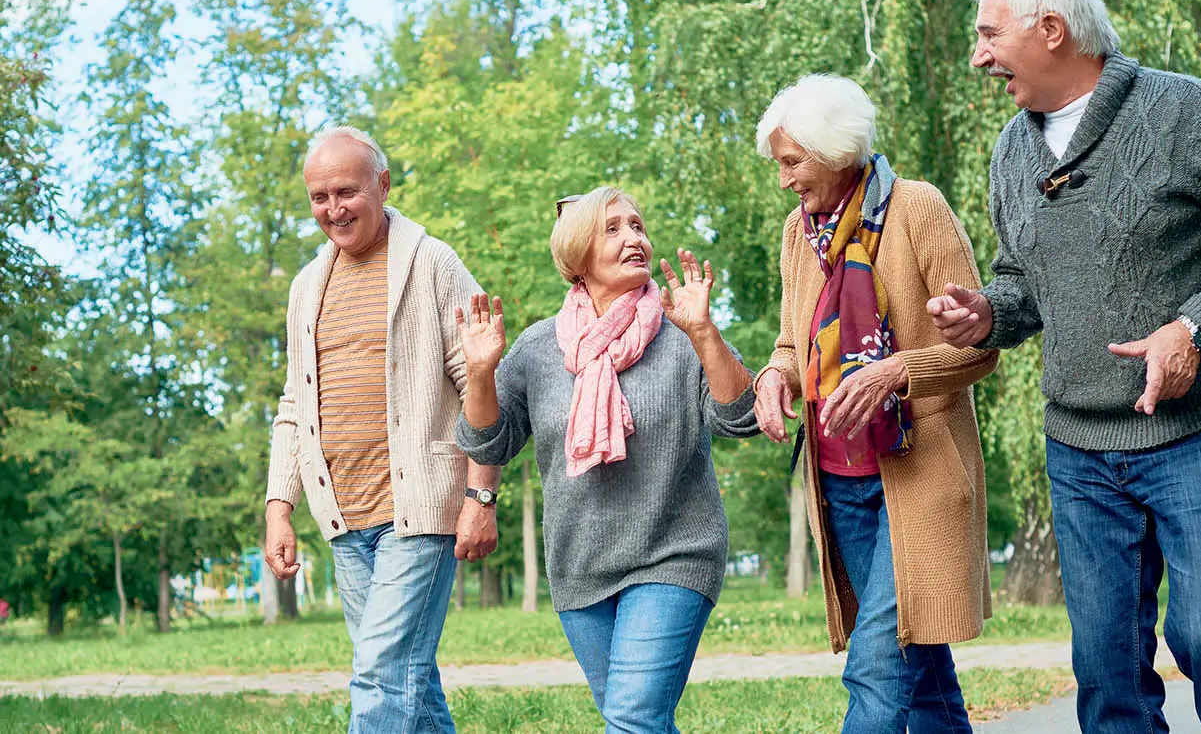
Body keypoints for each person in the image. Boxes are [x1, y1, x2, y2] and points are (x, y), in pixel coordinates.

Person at [928, 0, 1201, 733]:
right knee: (1107, 674)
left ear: (1051, 29)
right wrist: (988, 314)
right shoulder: (1012, 149)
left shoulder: (1185, 111)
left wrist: (1193, 328)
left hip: (1200, 432)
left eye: (987, 35)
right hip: (1079, 448)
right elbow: (1023, 283)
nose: (977, 56)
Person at [453, 186, 758, 733]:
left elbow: (741, 417)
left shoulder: (681, 332)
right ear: (578, 255)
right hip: (581, 568)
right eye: (613, 229)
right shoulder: (538, 348)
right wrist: (480, 373)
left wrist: (706, 333)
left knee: (632, 718)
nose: (634, 238)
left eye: (637, 226)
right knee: (641, 720)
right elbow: (488, 444)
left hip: (674, 555)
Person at [751, 74, 999, 733]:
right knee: (920, 666)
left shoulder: (917, 208)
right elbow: (788, 342)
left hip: (916, 477)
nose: (784, 180)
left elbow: (981, 346)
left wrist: (895, 372)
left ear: (835, 151)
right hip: (841, 483)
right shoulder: (796, 233)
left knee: (876, 666)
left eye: (792, 162)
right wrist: (775, 378)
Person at [263, 125, 500, 733]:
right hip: (345, 518)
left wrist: (481, 495)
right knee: (410, 686)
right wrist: (278, 507)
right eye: (319, 197)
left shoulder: (432, 263)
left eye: (347, 191)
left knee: (379, 674)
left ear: (383, 185)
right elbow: (295, 404)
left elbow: (478, 381)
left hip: (418, 512)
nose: (333, 209)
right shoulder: (306, 287)